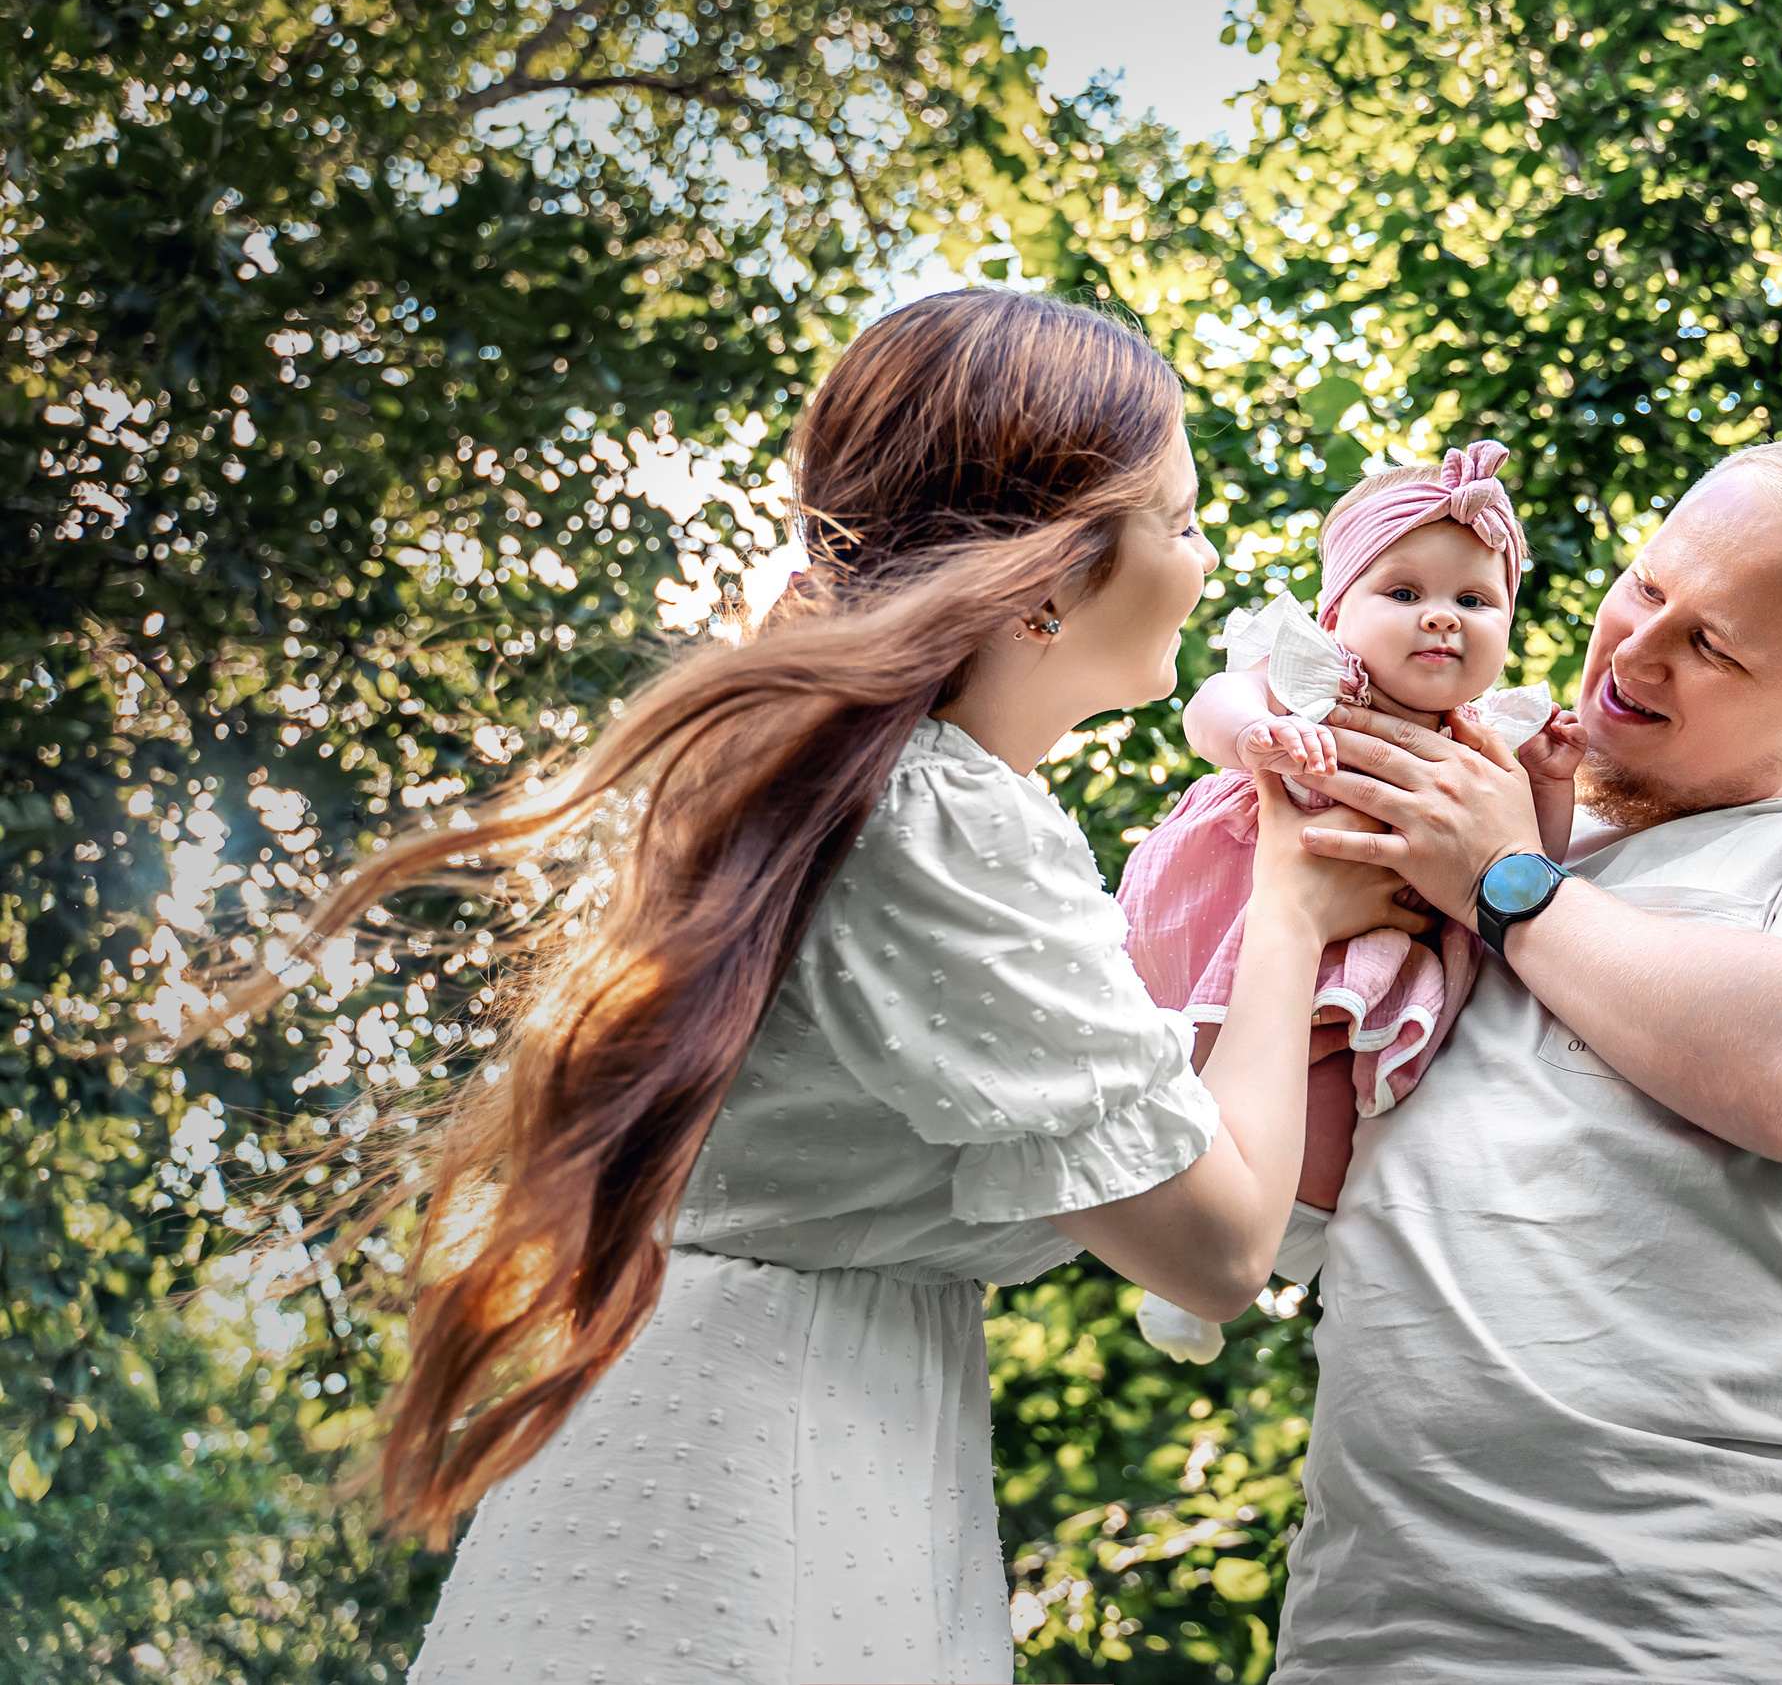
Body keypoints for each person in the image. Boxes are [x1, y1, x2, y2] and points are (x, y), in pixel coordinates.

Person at [207, 291, 1420, 1685]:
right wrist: (1291, 906)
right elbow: (1216, 1244)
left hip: (765, 1435)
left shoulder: (868, 785)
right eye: (1184, 520)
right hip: (769, 1479)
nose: (1206, 564)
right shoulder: (943, 820)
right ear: (1049, 577)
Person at [1271, 439, 1782, 1682]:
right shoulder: (1434, 831)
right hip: (1366, 1640)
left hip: (1718, 1638)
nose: (1634, 651)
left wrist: (1504, 883)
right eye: (1646, 587)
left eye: (1713, 646)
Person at [1114, 443, 1581, 1361]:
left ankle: (1305, 1245)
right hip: (1240, 915)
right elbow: (1209, 704)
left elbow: (1527, 871)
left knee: (1327, 1108)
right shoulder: (1313, 677)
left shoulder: (1493, 742)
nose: (1441, 619)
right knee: (1212, 1072)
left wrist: (1552, 785)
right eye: (1403, 593)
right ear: (1338, 611)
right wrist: (1261, 734)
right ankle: (1180, 1265)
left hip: (1373, 956)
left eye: (1474, 601)